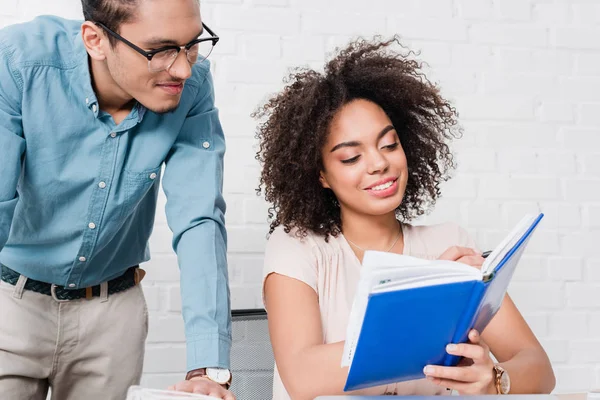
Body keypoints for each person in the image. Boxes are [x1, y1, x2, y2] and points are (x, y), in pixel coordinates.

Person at [254, 37, 556, 400]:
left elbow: (539, 367)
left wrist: (493, 378)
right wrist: (429, 309)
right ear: (320, 174)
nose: (380, 163)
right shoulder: (298, 248)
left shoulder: (448, 245)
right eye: (351, 157)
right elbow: (303, 378)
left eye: (389, 144)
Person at [0, 1, 234, 399]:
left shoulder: (191, 86)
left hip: (113, 316)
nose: (182, 68)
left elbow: (199, 219)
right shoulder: (19, 62)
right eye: (159, 50)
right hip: (11, 302)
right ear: (95, 39)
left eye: (192, 45)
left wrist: (207, 368)